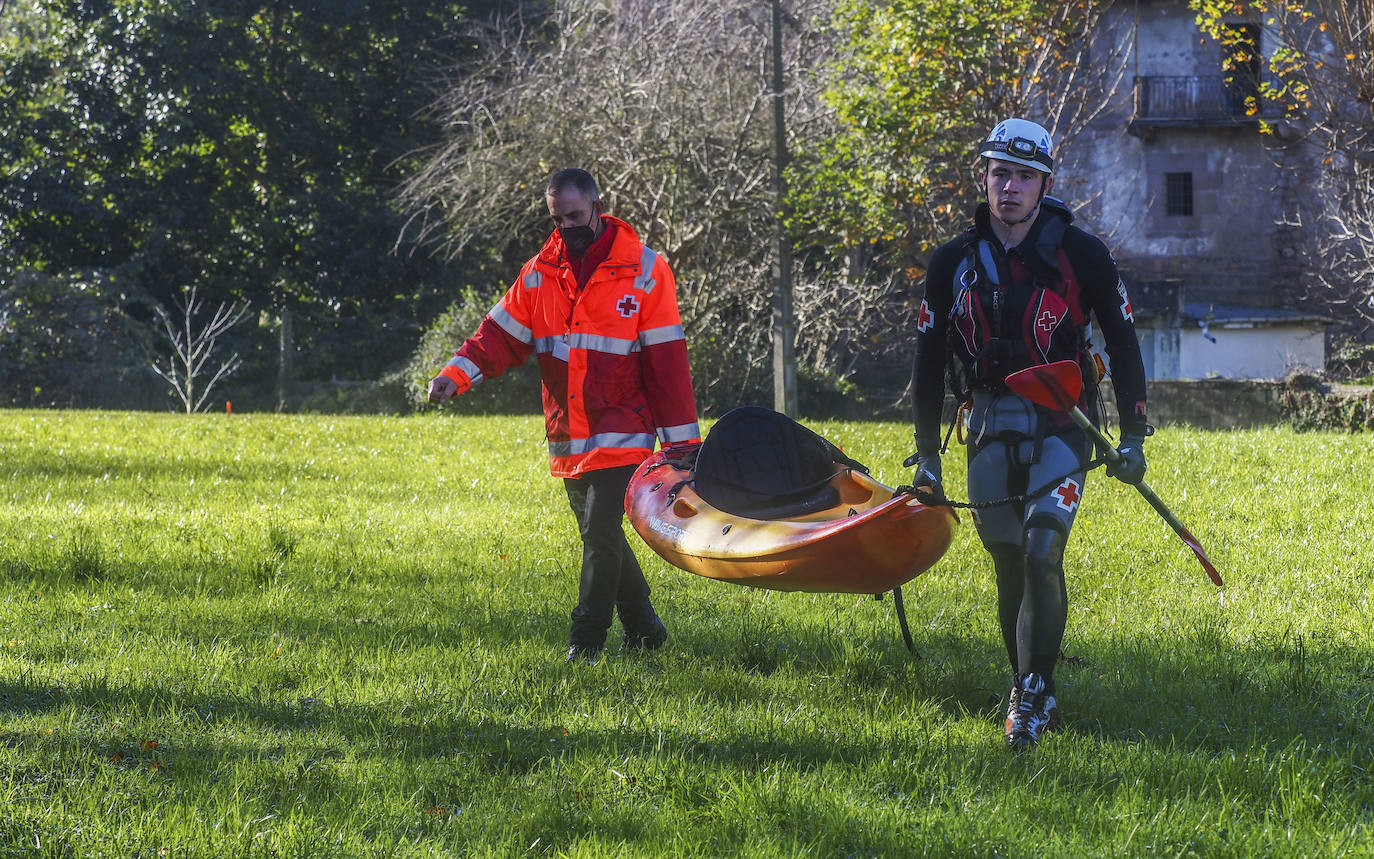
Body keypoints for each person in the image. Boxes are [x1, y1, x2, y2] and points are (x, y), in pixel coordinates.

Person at [908, 119, 1150, 749]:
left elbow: (1123, 343)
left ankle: (1035, 694)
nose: (1008, 187)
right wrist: (927, 457)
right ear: (984, 179)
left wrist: (1135, 437)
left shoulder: (1086, 256)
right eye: (998, 174)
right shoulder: (951, 263)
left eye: (1022, 176)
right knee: (1009, 561)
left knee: (1044, 551)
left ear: (1045, 183)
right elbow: (928, 362)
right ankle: (1022, 680)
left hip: (1063, 429)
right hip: (986, 427)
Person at [428, 168, 701, 662]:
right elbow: (498, 337)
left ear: (599, 205)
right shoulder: (539, 273)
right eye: (557, 218)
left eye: (574, 216)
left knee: (600, 531)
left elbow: (667, 365)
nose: (566, 227)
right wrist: (456, 374)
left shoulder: (646, 270)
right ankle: (646, 630)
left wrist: (682, 447)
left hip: (625, 429)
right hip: (569, 434)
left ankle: (586, 640)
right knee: (602, 535)